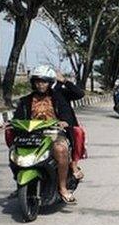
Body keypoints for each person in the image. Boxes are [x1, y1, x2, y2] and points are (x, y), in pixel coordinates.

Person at [13, 65, 85, 204]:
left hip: (53, 133)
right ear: (33, 83)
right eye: (38, 81)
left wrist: (65, 81)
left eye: (44, 81)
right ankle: (20, 184)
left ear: (50, 83)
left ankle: (63, 188)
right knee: (15, 152)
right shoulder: (25, 100)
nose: (40, 85)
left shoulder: (59, 96)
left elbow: (79, 94)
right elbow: (18, 117)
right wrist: (9, 123)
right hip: (31, 134)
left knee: (61, 149)